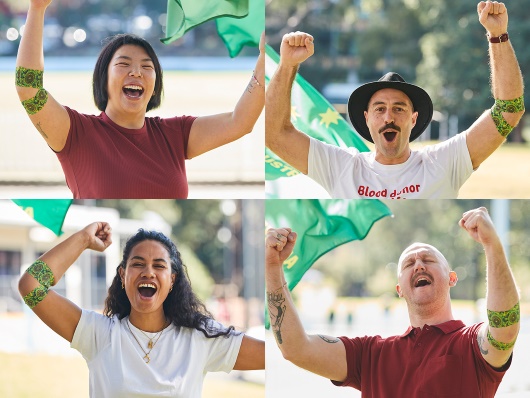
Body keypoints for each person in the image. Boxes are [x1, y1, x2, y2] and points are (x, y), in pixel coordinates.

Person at [266, 1, 524, 199]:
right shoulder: (341, 167)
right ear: (367, 119)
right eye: (380, 109)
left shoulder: (443, 163)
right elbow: (274, 134)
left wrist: (497, 35)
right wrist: (287, 65)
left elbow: (508, 110)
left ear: (414, 119)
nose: (389, 117)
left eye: (399, 108)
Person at [15, 0, 264, 199]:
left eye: (147, 67)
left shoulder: (174, 134)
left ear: (155, 85)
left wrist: (266, 57)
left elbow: (239, 122)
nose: (136, 72)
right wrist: (37, 8)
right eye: (124, 64)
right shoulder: (76, 134)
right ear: (103, 79)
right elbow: (28, 88)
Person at [266, 207, 520, 397]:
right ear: (399, 288)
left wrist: (492, 245)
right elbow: (296, 348)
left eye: (428, 260)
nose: (418, 264)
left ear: (452, 278)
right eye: (409, 263)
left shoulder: (471, 344)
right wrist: (273, 268)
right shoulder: (370, 354)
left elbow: (504, 328)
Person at [19, 223, 264, 397]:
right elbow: (31, 286)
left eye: (159, 266)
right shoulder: (98, 334)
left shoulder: (200, 338)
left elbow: (277, 354)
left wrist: (273, 270)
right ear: (123, 275)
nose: (148, 272)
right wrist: (83, 239)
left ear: (172, 280)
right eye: (138, 264)